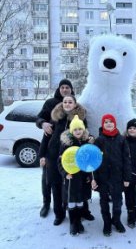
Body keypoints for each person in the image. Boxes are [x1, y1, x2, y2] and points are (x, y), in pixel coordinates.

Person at [39, 95, 94, 226]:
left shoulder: (81, 118)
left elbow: (85, 133)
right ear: (62, 104)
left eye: (70, 102)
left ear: (75, 104)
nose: (67, 104)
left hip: (74, 159)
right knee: (56, 186)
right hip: (54, 157)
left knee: (79, 185)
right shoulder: (55, 118)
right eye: (65, 102)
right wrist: (42, 155)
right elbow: (46, 137)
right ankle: (59, 214)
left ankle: (83, 211)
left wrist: (90, 137)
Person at [36, 79, 74, 218]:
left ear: (71, 90)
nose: (65, 90)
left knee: (64, 179)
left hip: (66, 150)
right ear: (59, 89)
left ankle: (64, 205)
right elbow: (39, 118)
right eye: (62, 87)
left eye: (67, 87)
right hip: (50, 146)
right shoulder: (50, 103)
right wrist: (43, 123)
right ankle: (46, 203)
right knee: (47, 179)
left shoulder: (75, 105)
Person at [91, 114, 132, 237]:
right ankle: (107, 222)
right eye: (106, 122)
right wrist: (94, 179)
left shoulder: (121, 139)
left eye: (111, 122)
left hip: (118, 177)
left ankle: (116, 220)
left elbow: (127, 159)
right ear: (103, 124)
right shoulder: (99, 140)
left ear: (115, 123)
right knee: (104, 201)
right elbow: (94, 161)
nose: (108, 124)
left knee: (117, 201)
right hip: (103, 177)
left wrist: (126, 177)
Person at [58, 115, 93, 236]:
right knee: (71, 201)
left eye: (80, 129)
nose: (78, 131)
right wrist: (64, 173)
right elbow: (60, 161)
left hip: (83, 178)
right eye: (75, 129)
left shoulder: (86, 143)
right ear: (71, 131)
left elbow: (89, 161)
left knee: (80, 201)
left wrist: (90, 176)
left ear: (83, 130)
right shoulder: (66, 144)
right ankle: (73, 223)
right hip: (71, 178)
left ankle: (79, 221)